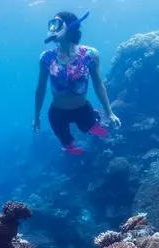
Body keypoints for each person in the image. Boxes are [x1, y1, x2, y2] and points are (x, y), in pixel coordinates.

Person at [32, 10, 121, 155]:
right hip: (57, 113)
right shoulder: (46, 58)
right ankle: (70, 147)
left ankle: (94, 122)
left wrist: (109, 112)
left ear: (69, 27)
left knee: (89, 127)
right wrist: (36, 116)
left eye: (57, 23)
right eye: (51, 24)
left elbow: (98, 84)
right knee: (66, 141)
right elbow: (40, 88)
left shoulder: (90, 54)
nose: (53, 28)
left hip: (82, 109)